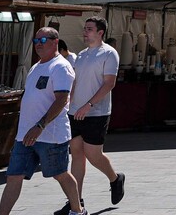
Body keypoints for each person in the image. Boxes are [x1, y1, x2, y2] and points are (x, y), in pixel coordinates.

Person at [0, 28, 85, 215]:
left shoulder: (61, 66)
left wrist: (39, 126)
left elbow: (61, 100)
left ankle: (77, 210)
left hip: (50, 135)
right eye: (36, 40)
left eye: (43, 39)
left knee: (60, 174)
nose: (38, 43)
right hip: (25, 135)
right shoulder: (35, 67)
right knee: (13, 176)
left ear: (55, 42)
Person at [56, 17, 124, 215]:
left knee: (93, 155)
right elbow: (76, 82)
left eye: (89, 29)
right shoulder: (82, 55)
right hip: (74, 111)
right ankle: (75, 202)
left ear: (100, 32)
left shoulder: (109, 54)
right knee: (76, 154)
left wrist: (89, 105)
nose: (85, 32)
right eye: (84, 29)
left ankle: (115, 178)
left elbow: (109, 83)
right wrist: (69, 102)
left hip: (97, 112)